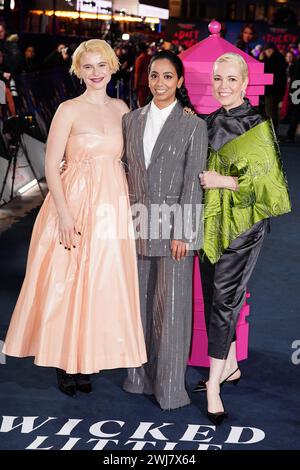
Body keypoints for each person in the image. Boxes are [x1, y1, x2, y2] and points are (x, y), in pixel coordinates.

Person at [2, 39, 147, 396]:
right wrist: (64, 214)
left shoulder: (121, 108)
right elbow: (51, 164)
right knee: (68, 282)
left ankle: (86, 357)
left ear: (113, 66)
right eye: (88, 67)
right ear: (78, 71)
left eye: (102, 65)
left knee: (99, 283)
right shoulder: (68, 109)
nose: (96, 73)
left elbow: (131, 158)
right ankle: (65, 361)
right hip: (74, 203)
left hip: (110, 203)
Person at [193, 53, 291, 425]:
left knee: (223, 301)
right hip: (210, 225)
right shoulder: (209, 121)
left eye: (231, 79)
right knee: (215, 298)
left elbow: (272, 187)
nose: (223, 86)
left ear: (245, 83)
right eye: (218, 79)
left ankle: (214, 386)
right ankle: (229, 365)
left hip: (243, 228)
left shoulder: (257, 125)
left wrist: (225, 181)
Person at [122, 50, 208, 410]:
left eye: (168, 76)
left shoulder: (193, 125)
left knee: (171, 311)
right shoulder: (130, 120)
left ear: (180, 81)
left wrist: (185, 235)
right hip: (136, 222)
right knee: (138, 307)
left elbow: (193, 182)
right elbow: (123, 168)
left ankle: (171, 389)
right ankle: (137, 377)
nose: (159, 83)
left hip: (174, 228)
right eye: (154, 76)